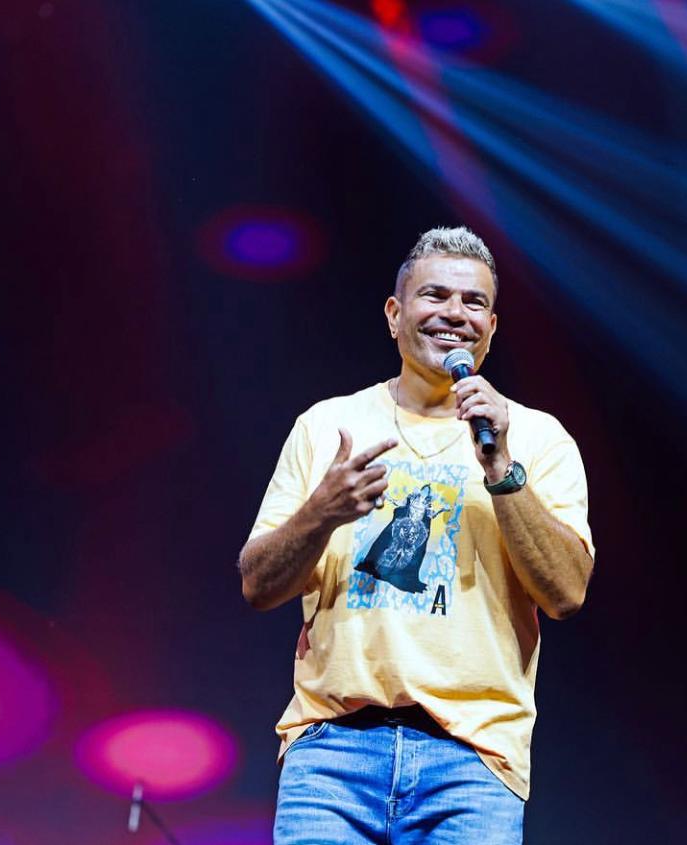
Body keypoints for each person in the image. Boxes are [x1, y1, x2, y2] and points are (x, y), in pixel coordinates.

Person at [239, 226, 595, 844]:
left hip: (473, 764)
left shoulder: (537, 439)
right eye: (435, 295)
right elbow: (257, 586)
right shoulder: (328, 425)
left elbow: (566, 594)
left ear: (491, 327)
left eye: (474, 302)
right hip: (331, 754)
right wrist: (322, 511)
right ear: (394, 314)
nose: (455, 313)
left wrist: (501, 469)